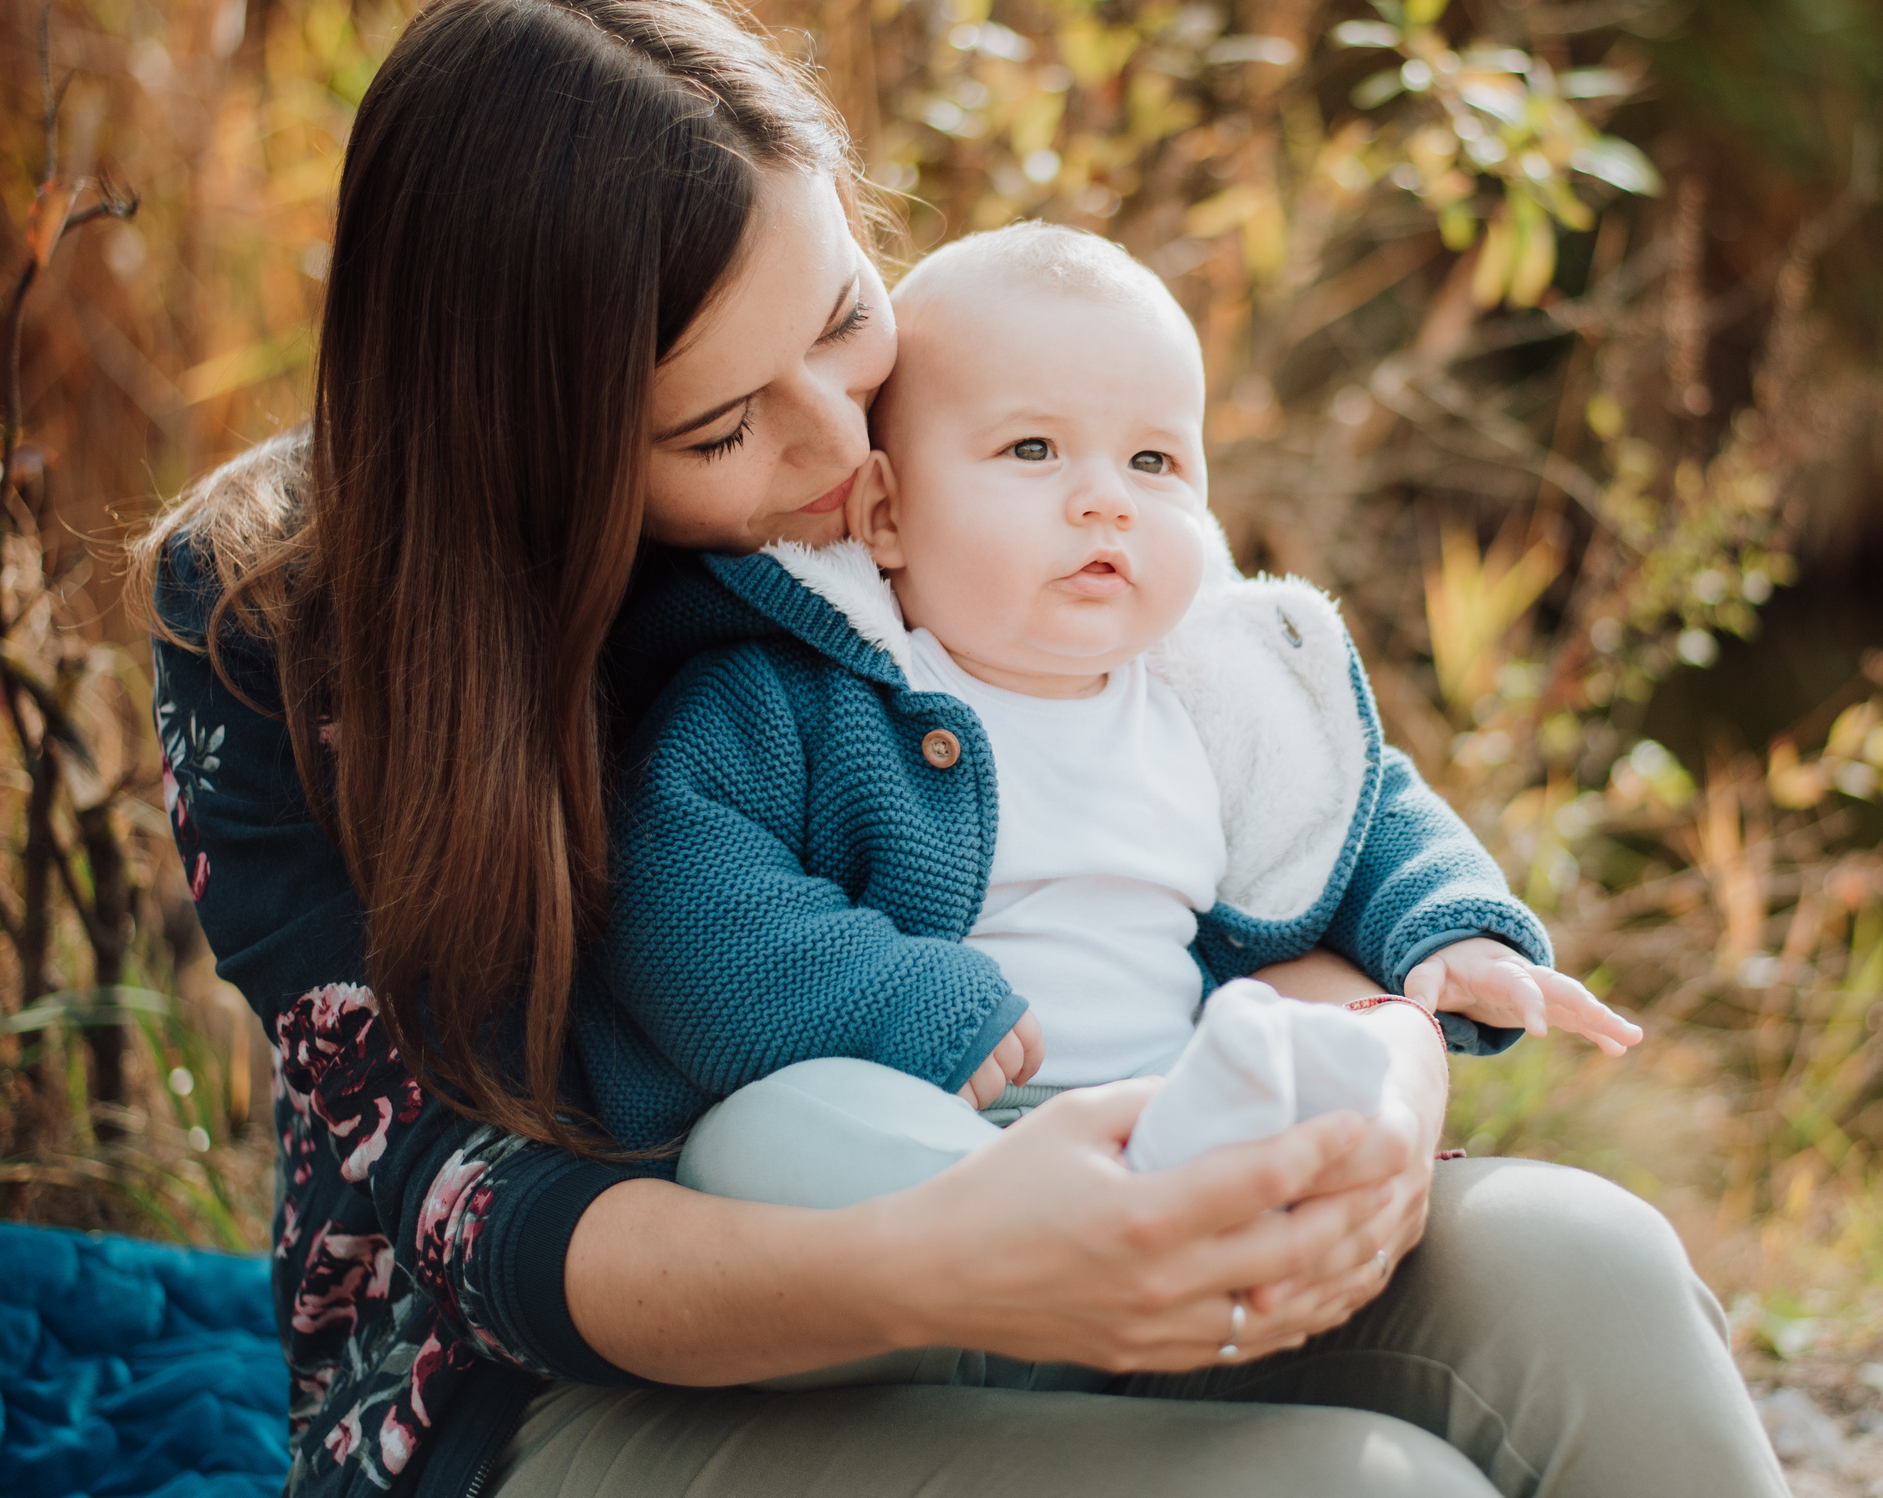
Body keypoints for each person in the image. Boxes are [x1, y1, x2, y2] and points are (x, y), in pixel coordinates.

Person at [140, 0, 1792, 1498]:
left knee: (1594, 1265)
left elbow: (1234, 825)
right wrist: (964, 1253)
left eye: (845, 314)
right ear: (542, 453)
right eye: (723, 426)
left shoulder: (959, 440)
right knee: (1363, 1486)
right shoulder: (279, 623)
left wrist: (1386, 1070)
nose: (838, 440)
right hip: (575, 1377)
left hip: (1074, 1177)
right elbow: (460, 1212)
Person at [578, 221, 1641, 1205]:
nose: (1106, 498)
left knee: (1329, 1055)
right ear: (888, 511)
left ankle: (1217, 1230)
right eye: (1032, 450)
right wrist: (897, 1003)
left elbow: (1362, 817)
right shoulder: (800, 693)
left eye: (1154, 461)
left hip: (1165, 1115)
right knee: (760, 1141)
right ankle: (1047, 1286)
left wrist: (1450, 926)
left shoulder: (1221, 694)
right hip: (933, 1140)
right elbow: (680, 891)